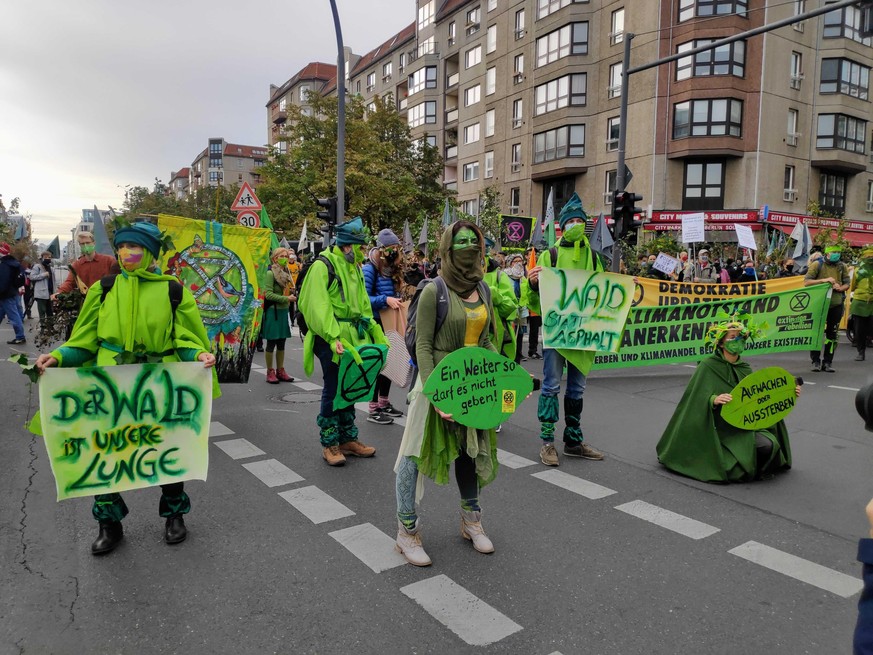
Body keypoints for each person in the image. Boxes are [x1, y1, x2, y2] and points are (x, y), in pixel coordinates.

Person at [34, 221, 219, 555]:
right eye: (121, 247)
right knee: (106, 454)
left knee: (166, 449)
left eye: (134, 248)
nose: (126, 253)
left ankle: (175, 515)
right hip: (111, 389)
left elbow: (184, 338)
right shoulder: (104, 289)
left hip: (157, 386)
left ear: (149, 252)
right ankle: (109, 523)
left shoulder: (172, 290)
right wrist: (58, 357)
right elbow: (85, 341)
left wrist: (199, 354)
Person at [393, 221, 498, 566]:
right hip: (435, 383)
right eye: (461, 241)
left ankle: (472, 521)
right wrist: (436, 394)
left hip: (472, 386)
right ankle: (407, 531)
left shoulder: (483, 290)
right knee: (414, 456)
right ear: (448, 249)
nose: (469, 247)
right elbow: (422, 346)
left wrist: (504, 381)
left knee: (471, 452)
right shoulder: (432, 291)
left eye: (474, 241)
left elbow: (487, 341)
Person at [656, 315, 796, 483]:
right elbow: (695, 398)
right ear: (721, 343)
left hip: (745, 424)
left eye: (740, 337)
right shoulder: (708, 365)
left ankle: (753, 465)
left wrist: (789, 392)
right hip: (719, 427)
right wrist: (713, 400)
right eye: (732, 337)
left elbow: (761, 398)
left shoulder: (745, 368)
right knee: (748, 452)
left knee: (768, 445)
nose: (737, 340)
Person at [297, 217, 385, 466]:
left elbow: (362, 303)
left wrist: (372, 329)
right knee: (334, 388)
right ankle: (330, 443)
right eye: (360, 247)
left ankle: (348, 439)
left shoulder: (354, 266)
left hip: (353, 337)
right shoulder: (322, 266)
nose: (364, 252)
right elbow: (316, 305)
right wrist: (333, 336)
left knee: (350, 387)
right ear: (348, 245)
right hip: (331, 339)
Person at [526, 193, 606, 467]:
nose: (574, 224)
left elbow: (603, 295)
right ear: (561, 226)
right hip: (557, 334)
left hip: (583, 334)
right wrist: (534, 283)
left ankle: (572, 441)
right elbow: (534, 299)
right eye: (570, 221)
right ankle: (547, 443)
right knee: (550, 386)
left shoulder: (595, 259)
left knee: (577, 390)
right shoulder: (550, 255)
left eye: (578, 221)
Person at [362, 228, 405, 425]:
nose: (394, 251)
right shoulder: (370, 269)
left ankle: (384, 402)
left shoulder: (391, 268)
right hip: (376, 322)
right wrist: (385, 299)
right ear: (381, 249)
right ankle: (373, 408)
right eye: (390, 248)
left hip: (390, 321)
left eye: (396, 247)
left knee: (390, 363)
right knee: (378, 365)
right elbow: (364, 299)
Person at [805, 245, 850, 373]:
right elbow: (807, 282)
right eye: (834, 252)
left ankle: (828, 362)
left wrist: (841, 288)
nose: (836, 255)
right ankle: (815, 361)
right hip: (819, 304)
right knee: (817, 333)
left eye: (838, 252)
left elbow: (847, 283)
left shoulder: (842, 266)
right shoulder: (817, 265)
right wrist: (825, 280)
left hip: (836, 304)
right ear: (827, 254)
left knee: (832, 335)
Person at [263, 247, 296, 384]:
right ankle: (270, 371)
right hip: (273, 311)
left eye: (287, 256)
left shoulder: (285, 272)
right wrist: (286, 299)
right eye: (282, 256)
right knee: (271, 342)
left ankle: (280, 370)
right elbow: (268, 294)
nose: (285, 258)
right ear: (275, 258)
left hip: (283, 311)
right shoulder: (271, 273)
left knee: (282, 342)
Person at [0, 242, 26, 344]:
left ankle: (20, 336)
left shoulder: (4, 265)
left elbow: (3, 281)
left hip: (5, 294)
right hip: (10, 292)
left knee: (14, 316)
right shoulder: (12, 263)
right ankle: (20, 336)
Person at [850, 247, 873, 362]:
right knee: (859, 330)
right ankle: (861, 352)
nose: (870, 259)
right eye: (868, 257)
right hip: (859, 302)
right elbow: (852, 286)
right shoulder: (857, 271)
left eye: (871, 257)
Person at [30, 251, 55, 330]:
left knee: (50, 311)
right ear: (42, 258)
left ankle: (51, 327)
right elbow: (32, 277)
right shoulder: (37, 267)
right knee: (42, 311)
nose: (48, 259)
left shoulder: (51, 268)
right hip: (41, 293)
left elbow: (53, 280)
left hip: (50, 293)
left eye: (49, 257)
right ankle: (43, 327)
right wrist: (44, 274)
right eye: (46, 257)